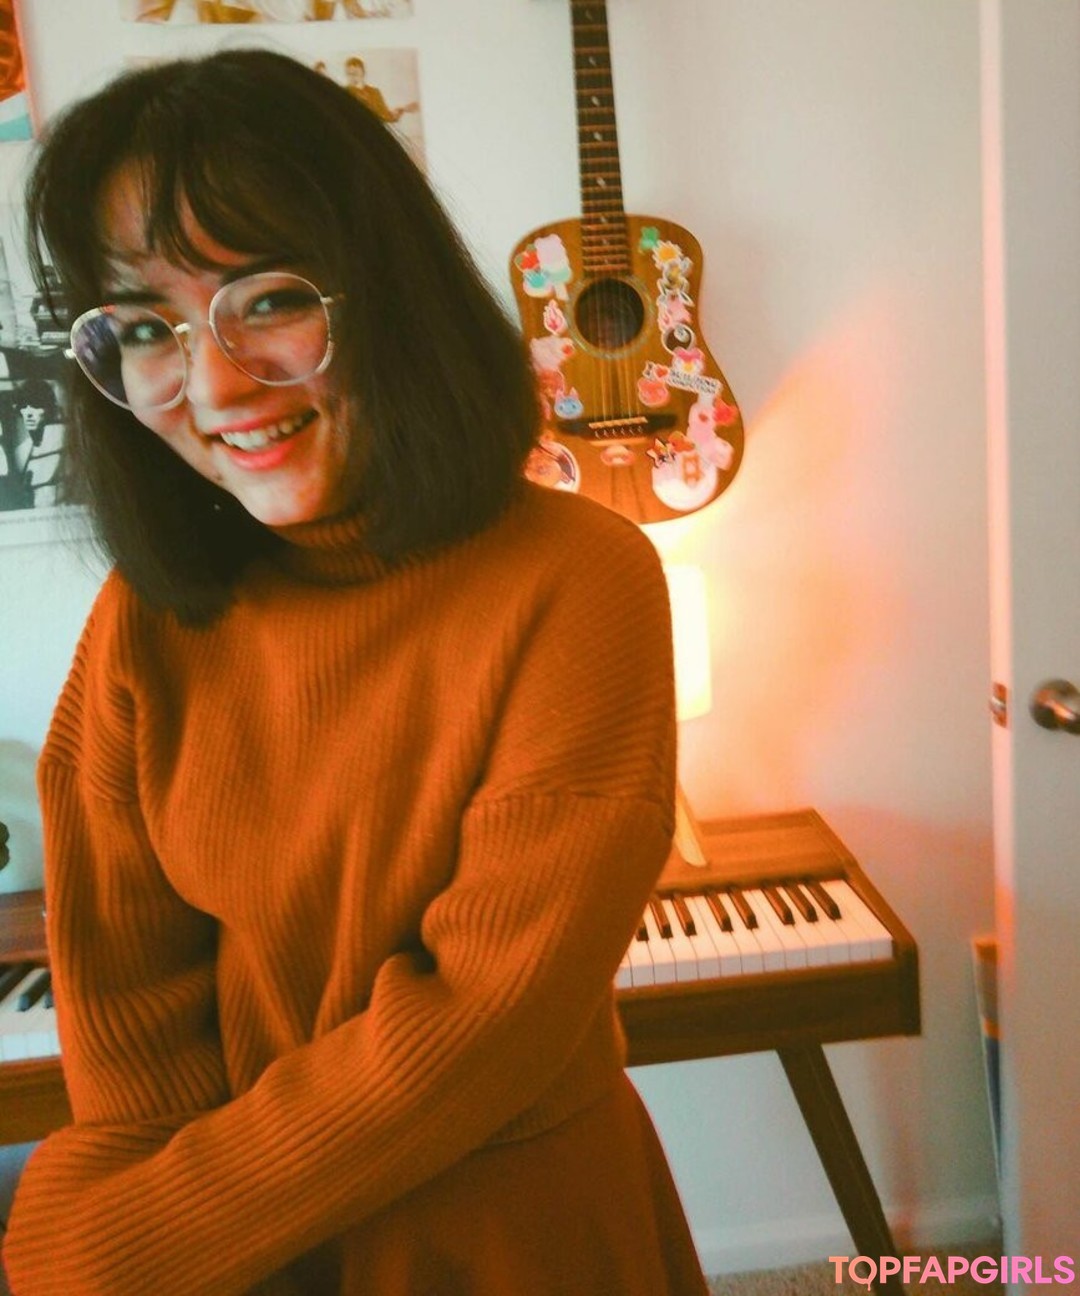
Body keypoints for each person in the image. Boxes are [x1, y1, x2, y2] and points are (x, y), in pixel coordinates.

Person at [1, 49, 706, 1296]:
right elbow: (130, 1011)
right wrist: (139, 1231)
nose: (216, 385)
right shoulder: (146, 620)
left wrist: (122, 1247)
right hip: (238, 1248)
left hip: (512, 1241)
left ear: (390, 291)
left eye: (269, 300)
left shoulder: (582, 577)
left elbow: (483, 1020)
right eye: (149, 327)